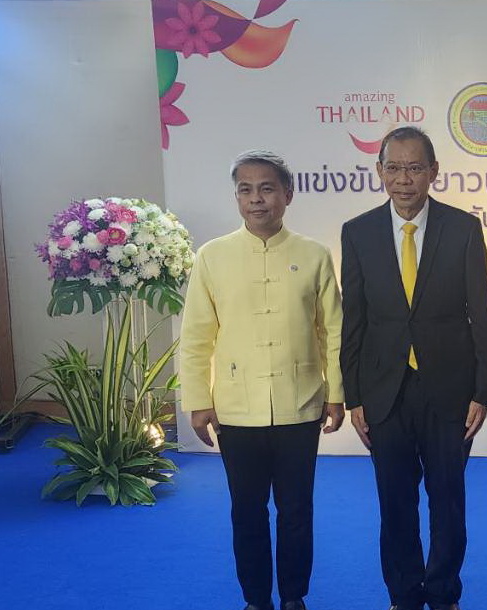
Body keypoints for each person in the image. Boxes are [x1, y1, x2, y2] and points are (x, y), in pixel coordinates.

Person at [340, 126, 487, 610]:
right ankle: (404, 594)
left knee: (447, 499)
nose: (403, 179)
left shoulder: (463, 228)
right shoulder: (358, 232)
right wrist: (354, 397)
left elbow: (482, 313)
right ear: (379, 171)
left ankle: (444, 593)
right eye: (393, 168)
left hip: (450, 389)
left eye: (414, 168)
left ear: (433, 171)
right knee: (395, 501)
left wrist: (483, 391)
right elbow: (354, 321)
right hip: (383, 391)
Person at [180, 150, 345, 610]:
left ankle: (293, 597)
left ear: (287, 194)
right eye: (246, 190)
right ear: (236, 197)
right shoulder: (212, 257)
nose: (256, 199)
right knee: (247, 511)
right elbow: (196, 337)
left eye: (267, 189)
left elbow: (332, 331)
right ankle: (256, 599)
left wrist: (336, 394)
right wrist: (198, 399)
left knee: (296, 511)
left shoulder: (313, 255)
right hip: (236, 408)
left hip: (301, 403)